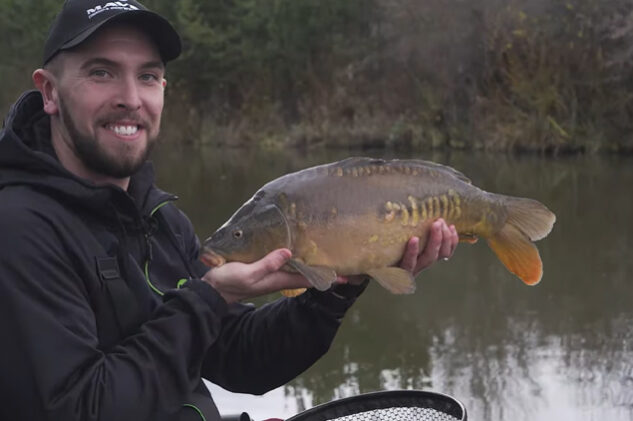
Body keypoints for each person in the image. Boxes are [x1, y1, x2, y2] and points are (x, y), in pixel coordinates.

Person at [0, 1, 459, 420]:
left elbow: (244, 361)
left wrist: (339, 287)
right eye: (101, 73)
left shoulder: (159, 221)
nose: (131, 98)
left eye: (148, 76)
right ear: (50, 92)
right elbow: (80, 408)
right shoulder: (19, 228)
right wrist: (209, 298)